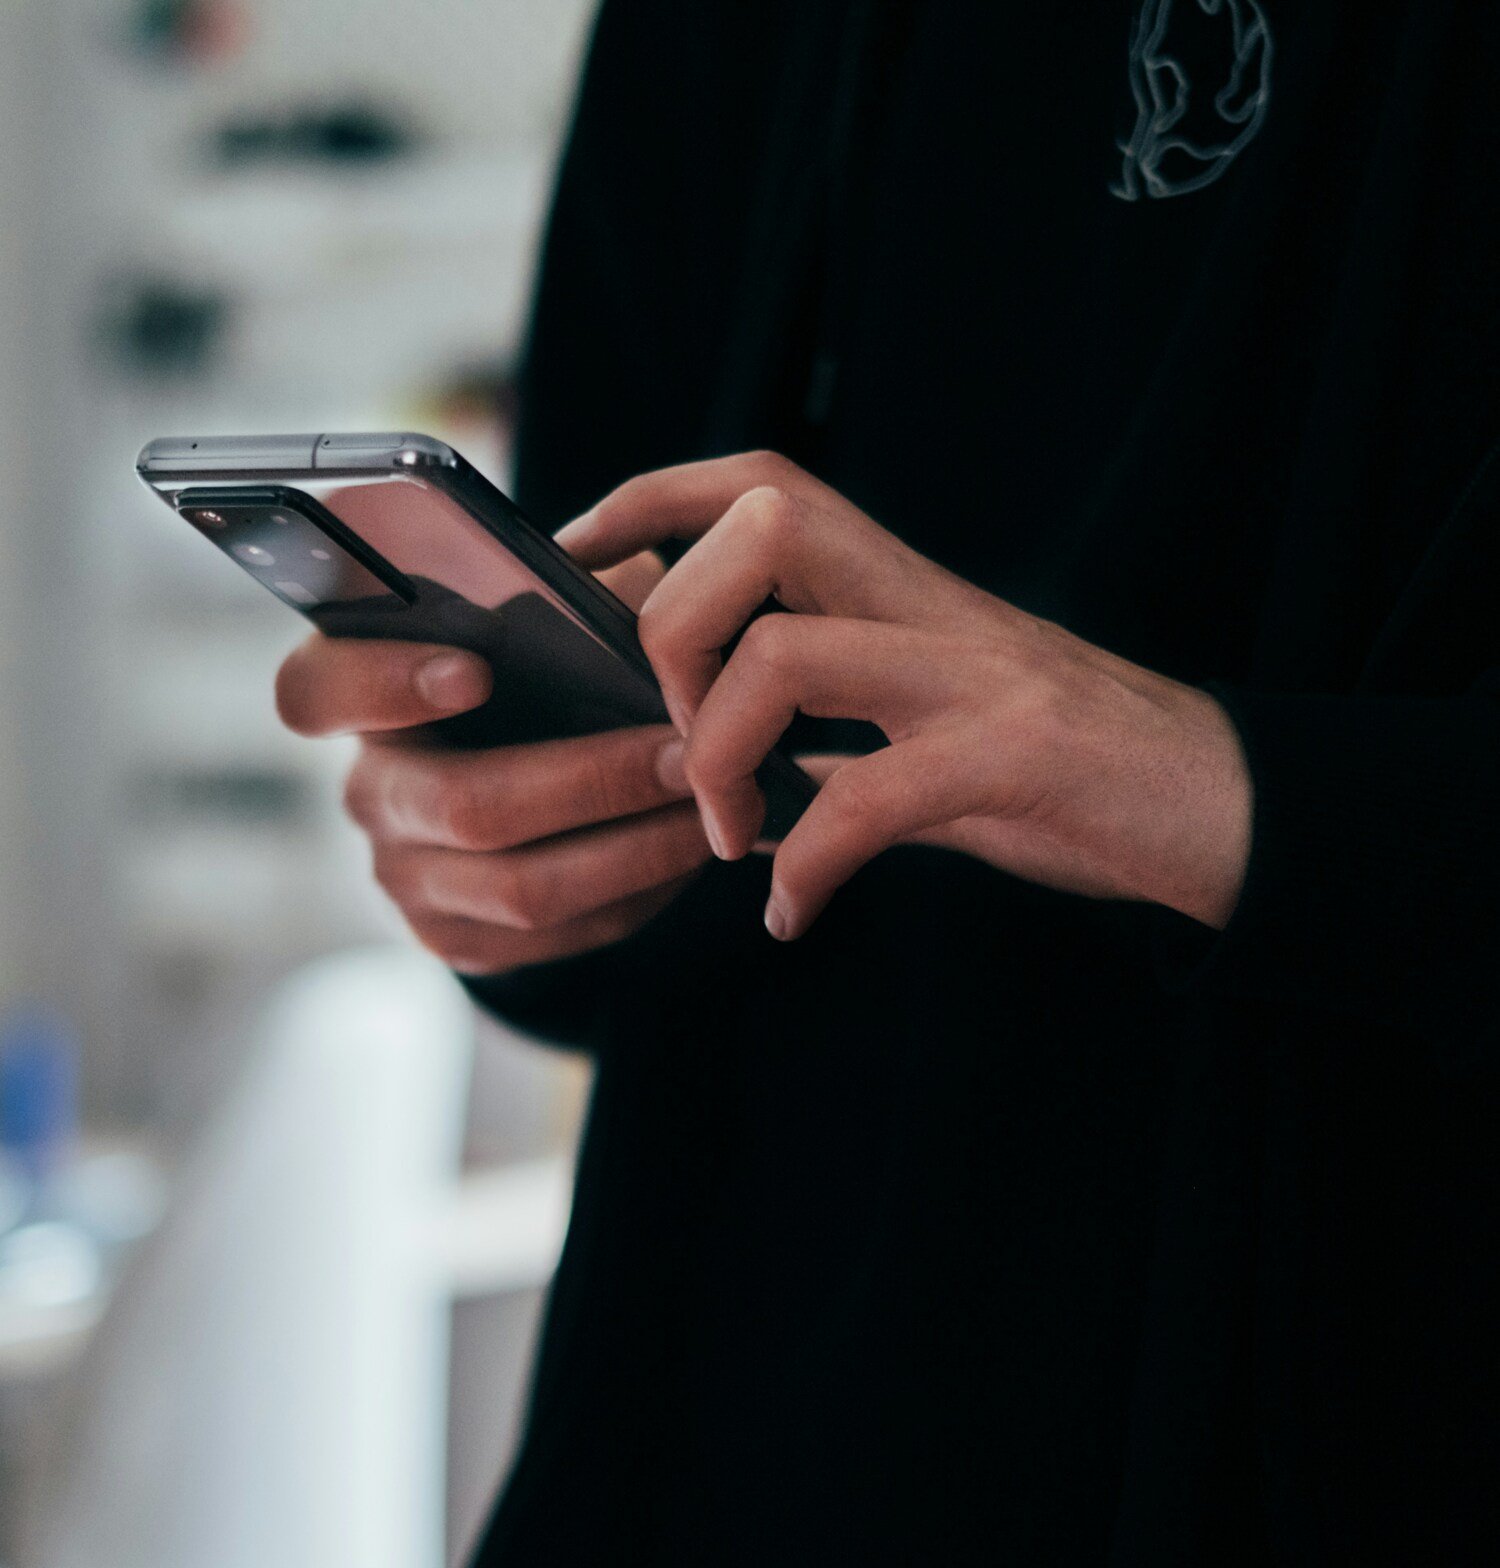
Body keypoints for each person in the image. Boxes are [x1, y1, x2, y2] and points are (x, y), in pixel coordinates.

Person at [273, 3, 1500, 1562]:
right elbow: (651, 843)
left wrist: (1212, 785)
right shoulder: (712, 42)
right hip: (718, 1420)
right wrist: (506, 857)